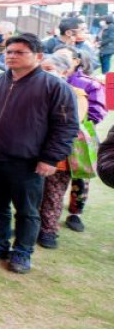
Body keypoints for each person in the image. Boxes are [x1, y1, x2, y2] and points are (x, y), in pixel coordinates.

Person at [0, 33, 79, 274]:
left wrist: (50, 158)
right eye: (9, 51)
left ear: (38, 56)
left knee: (26, 209)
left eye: (19, 52)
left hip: (27, 161)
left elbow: (66, 126)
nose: (12, 56)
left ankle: (23, 252)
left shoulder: (54, 86)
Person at [36, 52, 91, 249]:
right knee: (33, 192)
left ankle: (48, 231)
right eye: (41, 70)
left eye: (49, 70)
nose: (44, 74)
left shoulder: (75, 94)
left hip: (59, 155)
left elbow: (71, 124)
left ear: (64, 71)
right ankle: (31, 226)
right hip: (32, 150)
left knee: (53, 193)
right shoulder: (35, 90)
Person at [54, 48, 106, 236]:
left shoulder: (88, 84)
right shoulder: (48, 76)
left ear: (76, 61)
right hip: (53, 136)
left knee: (81, 177)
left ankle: (75, 213)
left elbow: (97, 112)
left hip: (80, 137)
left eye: (64, 56)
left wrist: (74, 124)